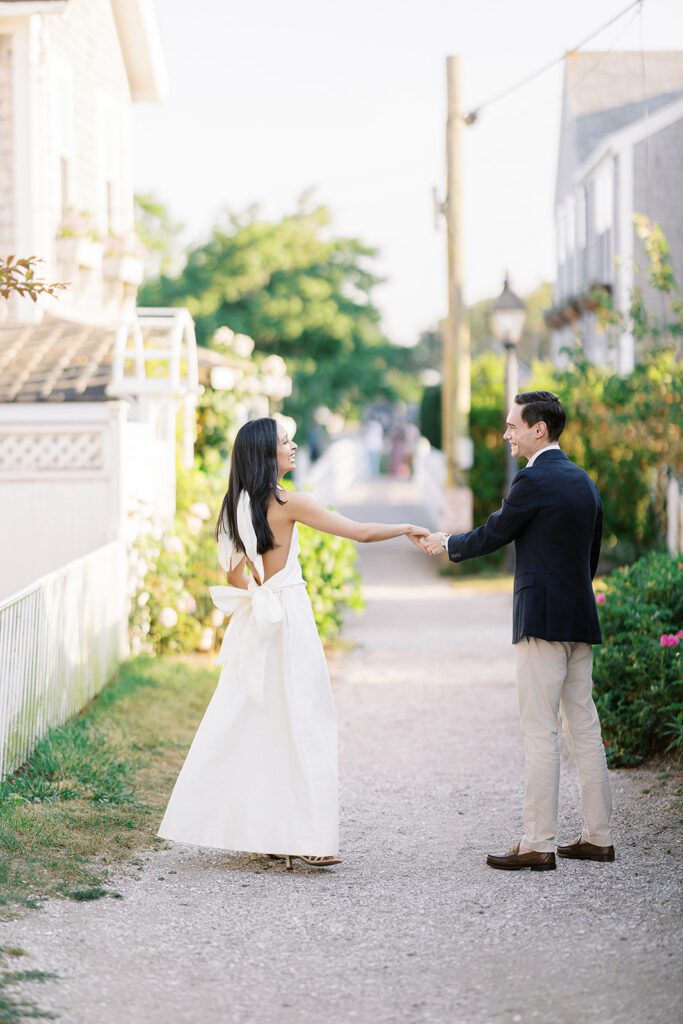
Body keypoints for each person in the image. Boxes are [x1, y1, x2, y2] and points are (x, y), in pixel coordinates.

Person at [157, 417, 428, 870]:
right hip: (288, 618)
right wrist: (405, 526)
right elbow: (357, 531)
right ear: (268, 453)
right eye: (286, 442)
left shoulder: (235, 506)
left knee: (262, 724)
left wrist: (261, 592)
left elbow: (233, 574)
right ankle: (310, 838)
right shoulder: (287, 503)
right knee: (306, 722)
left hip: (260, 619)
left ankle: (269, 833)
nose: (294, 445)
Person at [420, 391, 613, 873]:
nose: (507, 434)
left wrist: (448, 544)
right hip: (579, 618)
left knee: (539, 731)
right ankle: (599, 837)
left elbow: (496, 531)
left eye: (512, 426)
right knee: (584, 726)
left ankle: (537, 843)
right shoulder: (583, 481)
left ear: (538, 429)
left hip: (542, 622)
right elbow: (591, 553)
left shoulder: (533, 479)